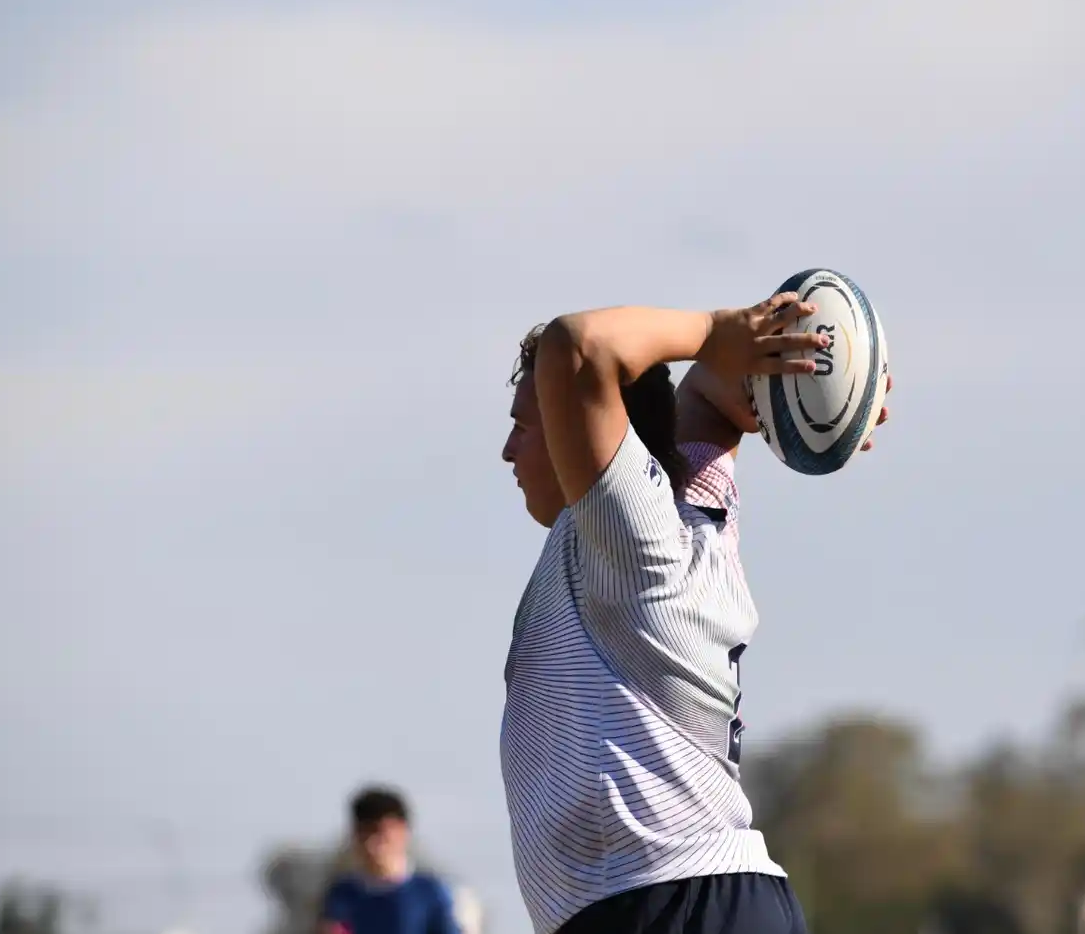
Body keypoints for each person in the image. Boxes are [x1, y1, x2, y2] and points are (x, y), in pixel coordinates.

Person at [499, 294, 891, 934]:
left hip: (667, 901)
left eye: (523, 424)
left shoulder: (636, 543)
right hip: (683, 900)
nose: (508, 450)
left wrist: (711, 330)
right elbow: (713, 394)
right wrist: (816, 377)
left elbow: (578, 349)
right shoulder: (685, 511)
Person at [318, 786, 462, 934]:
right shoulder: (342, 895)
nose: (371, 843)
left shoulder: (429, 893)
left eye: (379, 832)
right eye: (363, 832)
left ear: (403, 831)